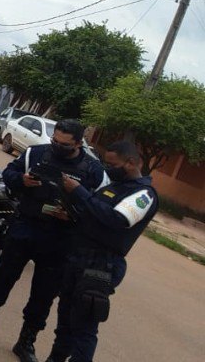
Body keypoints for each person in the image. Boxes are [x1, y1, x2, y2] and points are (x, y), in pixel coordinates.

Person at [0, 119, 105, 362]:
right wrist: (22, 181)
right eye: (55, 141)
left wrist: (75, 214)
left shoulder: (93, 170)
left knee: (44, 294)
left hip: (61, 240)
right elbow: (9, 174)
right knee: (2, 278)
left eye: (65, 144)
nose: (57, 146)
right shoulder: (35, 153)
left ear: (78, 144)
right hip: (26, 228)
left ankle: (26, 342)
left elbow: (97, 207)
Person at [46, 141, 158, 362]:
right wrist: (72, 214)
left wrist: (79, 192)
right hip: (79, 257)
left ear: (131, 163)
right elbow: (93, 214)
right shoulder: (113, 187)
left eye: (112, 164)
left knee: (84, 328)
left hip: (101, 265)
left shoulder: (144, 194)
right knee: (66, 320)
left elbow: (117, 219)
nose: (108, 169)